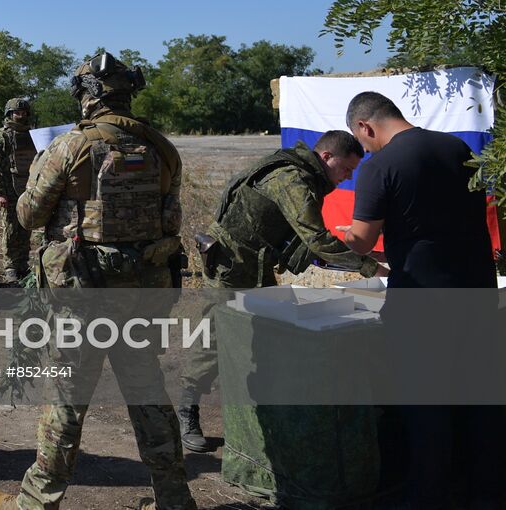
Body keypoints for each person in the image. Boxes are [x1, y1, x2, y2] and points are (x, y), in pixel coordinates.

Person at [0, 52, 195, 510]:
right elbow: (169, 221)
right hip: (142, 295)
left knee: (66, 396)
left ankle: (36, 502)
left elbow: (28, 215)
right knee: (148, 393)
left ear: (87, 96)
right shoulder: (162, 148)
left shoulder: (70, 147)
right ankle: (175, 499)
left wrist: (37, 176)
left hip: (81, 297)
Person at [340, 91, 500, 510]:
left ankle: (428, 494)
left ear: (365, 127)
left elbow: (363, 239)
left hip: (423, 300)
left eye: (363, 140)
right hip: (477, 290)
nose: (366, 147)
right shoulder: (457, 146)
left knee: (424, 401)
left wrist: (340, 236)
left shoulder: (380, 166)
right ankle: (484, 488)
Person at [177, 129, 385, 452]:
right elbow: (316, 239)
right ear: (326, 157)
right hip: (230, 266)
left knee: (266, 335)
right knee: (216, 338)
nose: (346, 178)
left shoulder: (305, 175)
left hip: (255, 265)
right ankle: (186, 408)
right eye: (346, 169)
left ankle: (261, 413)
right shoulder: (292, 177)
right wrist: (370, 267)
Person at [0, 97, 39, 283]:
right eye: (17, 113)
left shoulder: (33, 136)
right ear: (10, 114)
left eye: (24, 112)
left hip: (28, 190)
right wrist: (0, 192)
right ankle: (10, 267)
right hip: (10, 191)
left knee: (25, 228)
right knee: (10, 230)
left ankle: (22, 264)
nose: (21, 115)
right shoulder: (1, 138)